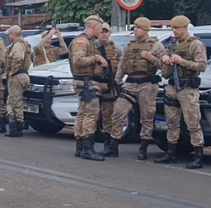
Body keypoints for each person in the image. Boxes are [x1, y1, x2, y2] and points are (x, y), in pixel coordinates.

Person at [108, 17, 167, 160]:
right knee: (118, 112)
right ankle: (113, 146)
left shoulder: (156, 45)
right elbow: (122, 64)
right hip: (130, 82)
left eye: (138, 27)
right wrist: (116, 82)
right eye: (134, 27)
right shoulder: (130, 45)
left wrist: (150, 57)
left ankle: (143, 147)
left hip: (147, 84)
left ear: (146, 30)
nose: (135, 30)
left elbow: (163, 66)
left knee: (147, 116)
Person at [155, 15, 207, 169]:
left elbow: (202, 66)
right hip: (172, 87)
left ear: (185, 27)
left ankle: (198, 155)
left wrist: (181, 61)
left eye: (177, 28)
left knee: (193, 123)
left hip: (187, 88)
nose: (174, 31)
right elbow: (162, 63)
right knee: (171, 122)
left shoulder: (195, 44)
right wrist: (164, 58)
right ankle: (171, 153)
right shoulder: (171, 44)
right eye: (173, 28)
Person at [70, 15, 109, 161]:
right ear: (94, 26)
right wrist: (96, 58)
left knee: (83, 113)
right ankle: (87, 148)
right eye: (100, 28)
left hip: (86, 82)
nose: (101, 31)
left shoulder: (89, 42)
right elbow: (78, 60)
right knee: (91, 115)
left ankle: (80, 147)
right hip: (86, 83)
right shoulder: (82, 41)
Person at [96, 24, 122, 155]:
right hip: (95, 84)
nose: (103, 34)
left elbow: (121, 66)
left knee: (108, 116)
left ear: (110, 33)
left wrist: (116, 83)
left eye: (106, 32)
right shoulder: (92, 47)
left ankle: (109, 145)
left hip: (109, 86)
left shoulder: (116, 49)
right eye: (101, 32)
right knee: (91, 115)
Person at [0, 26, 30, 137]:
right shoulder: (24, 44)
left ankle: (16, 127)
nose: (9, 36)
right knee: (13, 100)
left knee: (14, 102)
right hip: (23, 75)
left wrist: (12, 71)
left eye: (9, 34)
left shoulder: (18, 45)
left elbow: (18, 58)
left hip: (17, 76)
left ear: (13, 35)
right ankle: (16, 126)